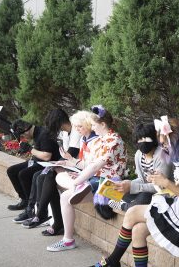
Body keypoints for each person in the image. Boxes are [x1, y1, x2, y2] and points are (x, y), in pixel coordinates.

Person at [90, 116, 179, 267]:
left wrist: (166, 182)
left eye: (164, 144)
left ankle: (112, 261)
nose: (164, 148)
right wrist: (162, 184)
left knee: (132, 213)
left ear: (174, 139)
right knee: (137, 231)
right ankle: (113, 261)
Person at [46, 105, 127, 251]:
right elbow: (89, 165)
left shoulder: (112, 140)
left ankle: (68, 240)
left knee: (66, 193)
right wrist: (71, 161)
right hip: (97, 179)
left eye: (94, 125)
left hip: (110, 184)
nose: (93, 128)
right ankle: (68, 240)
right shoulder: (104, 139)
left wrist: (77, 181)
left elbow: (95, 167)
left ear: (102, 124)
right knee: (63, 185)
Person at [22, 110, 95, 232]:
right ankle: (45, 216)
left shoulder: (77, 133)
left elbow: (72, 153)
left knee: (49, 176)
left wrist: (58, 163)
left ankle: (43, 216)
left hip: (78, 165)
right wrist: (56, 163)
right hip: (72, 163)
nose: (78, 129)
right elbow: (66, 153)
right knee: (40, 176)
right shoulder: (66, 133)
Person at [6, 119, 61, 223]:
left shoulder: (44, 134)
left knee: (24, 174)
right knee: (12, 171)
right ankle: (25, 200)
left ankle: (30, 209)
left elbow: (47, 156)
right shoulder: (36, 133)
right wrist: (28, 151)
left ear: (26, 130)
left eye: (22, 136)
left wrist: (30, 149)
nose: (23, 138)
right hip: (37, 162)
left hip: (48, 164)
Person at [108, 122, 172, 212]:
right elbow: (142, 180)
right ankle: (130, 204)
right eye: (139, 140)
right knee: (122, 191)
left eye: (146, 139)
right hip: (146, 190)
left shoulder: (163, 156)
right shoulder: (138, 155)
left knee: (144, 197)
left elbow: (161, 186)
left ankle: (125, 207)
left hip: (164, 194)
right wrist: (127, 183)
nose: (142, 142)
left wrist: (132, 186)